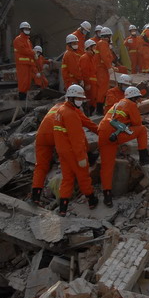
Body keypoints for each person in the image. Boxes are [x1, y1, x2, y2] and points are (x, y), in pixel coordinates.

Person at [31, 98, 98, 204]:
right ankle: (90, 196)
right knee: (78, 135)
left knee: (40, 166)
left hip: (41, 135)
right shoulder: (72, 111)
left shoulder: (56, 107)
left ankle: (35, 196)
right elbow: (87, 125)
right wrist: (101, 133)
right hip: (55, 135)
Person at [98, 86, 149, 207]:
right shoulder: (131, 104)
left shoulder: (118, 103)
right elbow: (137, 123)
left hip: (103, 134)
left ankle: (107, 195)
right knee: (142, 130)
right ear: (134, 97)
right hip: (116, 134)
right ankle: (144, 157)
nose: (139, 101)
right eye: (138, 98)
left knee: (107, 167)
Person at [53, 85, 98, 216]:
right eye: (78, 98)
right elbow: (77, 139)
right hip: (73, 152)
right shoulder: (71, 114)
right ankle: (91, 200)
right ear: (71, 98)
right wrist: (81, 157)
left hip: (62, 152)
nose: (81, 101)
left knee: (67, 179)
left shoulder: (61, 110)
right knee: (83, 177)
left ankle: (63, 208)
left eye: (81, 98)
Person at [13, 21, 36, 100]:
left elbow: (29, 52)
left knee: (27, 82)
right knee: (23, 82)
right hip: (22, 64)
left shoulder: (28, 41)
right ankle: (22, 100)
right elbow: (24, 50)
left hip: (28, 64)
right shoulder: (18, 39)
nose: (27, 30)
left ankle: (24, 99)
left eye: (28, 29)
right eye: (25, 29)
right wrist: (33, 52)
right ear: (21, 30)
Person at [95, 27, 115, 115]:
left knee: (104, 88)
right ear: (107, 36)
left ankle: (101, 107)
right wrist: (109, 67)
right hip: (102, 69)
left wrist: (110, 66)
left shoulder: (103, 44)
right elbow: (104, 57)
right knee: (102, 88)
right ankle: (99, 109)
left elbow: (107, 57)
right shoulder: (102, 44)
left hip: (103, 69)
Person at [80, 40, 99, 115]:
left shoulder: (92, 57)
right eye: (93, 47)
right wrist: (87, 84)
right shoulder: (85, 58)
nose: (95, 48)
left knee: (94, 100)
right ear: (89, 48)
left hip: (94, 83)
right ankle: (89, 114)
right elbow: (85, 72)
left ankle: (91, 113)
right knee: (91, 101)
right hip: (90, 84)